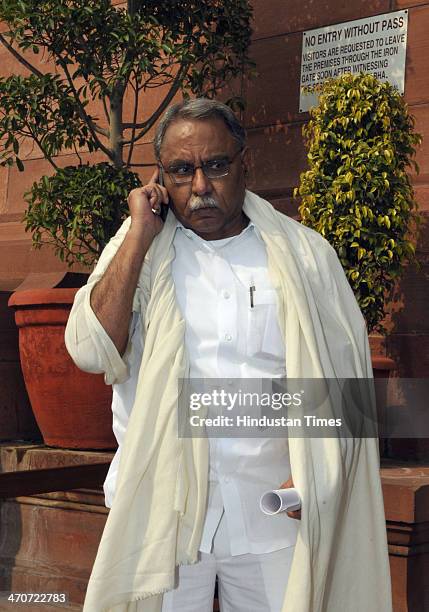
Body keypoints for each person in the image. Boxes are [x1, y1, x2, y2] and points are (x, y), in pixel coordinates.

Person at [65, 98, 392, 612]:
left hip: (275, 516)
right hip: (163, 516)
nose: (199, 187)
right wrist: (138, 234)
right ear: (160, 180)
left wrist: (319, 469)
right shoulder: (139, 252)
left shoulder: (305, 257)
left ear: (245, 164)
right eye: (180, 171)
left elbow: (348, 380)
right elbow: (89, 349)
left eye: (216, 165)